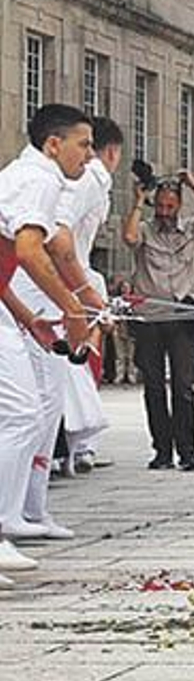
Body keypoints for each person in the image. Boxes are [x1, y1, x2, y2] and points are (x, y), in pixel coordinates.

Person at [0, 104, 97, 581]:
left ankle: (12, 517)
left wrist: (30, 318)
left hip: (5, 307)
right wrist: (73, 307)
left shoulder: (28, 176)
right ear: (53, 145)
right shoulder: (38, 178)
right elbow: (30, 251)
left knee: (22, 413)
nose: (90, 155)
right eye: (84, 144)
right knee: (20, 413)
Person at [24, 116, 121, 478]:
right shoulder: (89, 176)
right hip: (46, 288)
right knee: (37, 398)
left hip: (47, 290)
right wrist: (81, 299)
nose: (89, 157)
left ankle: (32, 497)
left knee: (47, 392)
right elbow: (56, 239)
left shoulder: (48, 177)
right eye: (84, 147)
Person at [121, 168, 194, 471]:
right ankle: (162, 450)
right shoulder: (147, 230)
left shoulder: (191, 229)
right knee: (153, 386)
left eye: (171, 206)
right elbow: (128, 237)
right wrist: (139, 201)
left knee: (183, 386)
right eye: (161, 206)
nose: (165, 212)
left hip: (182, 317)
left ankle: (187, 451)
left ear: (179, 205)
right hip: (150, 318)